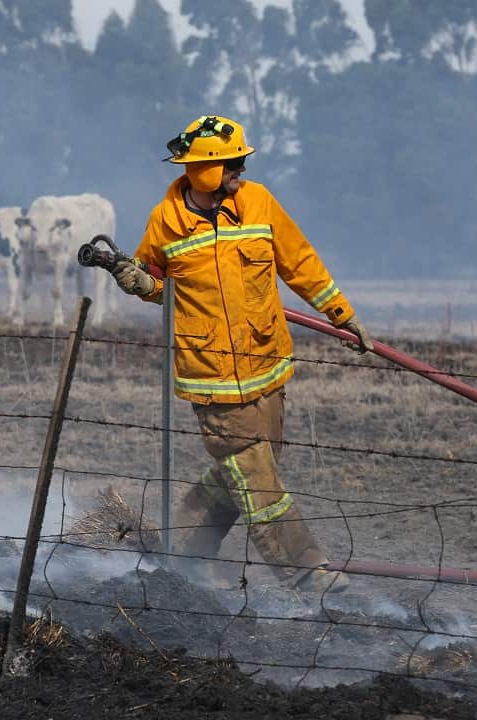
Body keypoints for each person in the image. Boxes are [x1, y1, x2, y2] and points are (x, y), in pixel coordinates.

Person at [110, 115, 374, 594]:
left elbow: (300, 261)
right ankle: (306, 574)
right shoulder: (164, 221)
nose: (240, 173)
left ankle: (180, 552)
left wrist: (341, 313)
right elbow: (155, 284)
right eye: (233, 165)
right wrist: (138, 282)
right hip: (211, 375)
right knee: (253, 476)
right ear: (206, 170)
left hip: (266, 366)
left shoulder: (258, 202)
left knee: (252, 466)